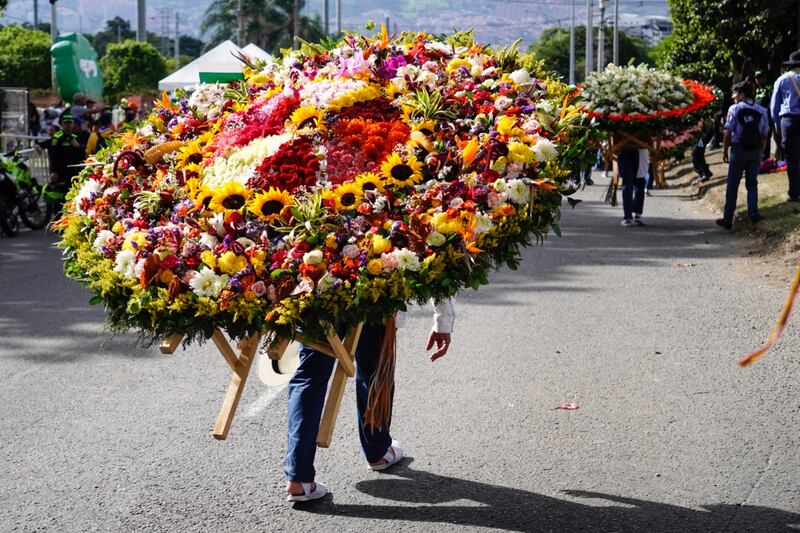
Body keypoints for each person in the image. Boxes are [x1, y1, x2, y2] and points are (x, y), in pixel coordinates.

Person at [284, 301, 455, 502]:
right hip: (375, 291)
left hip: (320, 289)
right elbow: (434, 268)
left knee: (310, 375)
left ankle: (299, 478)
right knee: (375, 366)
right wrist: (443, 321)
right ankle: (377, 452)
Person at [716, 81, 769, 230]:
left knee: (733, 184)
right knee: (752, 182)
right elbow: (765, 135)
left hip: (738, 150)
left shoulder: (734, 109)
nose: (733, 97)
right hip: (755, 151)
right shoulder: (762, 110)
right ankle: (753, 214)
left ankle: (728, 219)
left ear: (742, 94)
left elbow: (727, 132)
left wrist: (725, 151)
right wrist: (761, 151)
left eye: (735, 94)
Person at [770, 50, 800, 202]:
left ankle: (794, 192)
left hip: (788, 121)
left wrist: (776, 123)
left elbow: (774, 106)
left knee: (792, 157)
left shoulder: (782, 80)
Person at [617, 145, 648, 226]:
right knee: (628, 184)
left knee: (639, 183)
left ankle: (636, 213)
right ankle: (628, 216)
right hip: (625, 150)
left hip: (640, 151)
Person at [755, 70, 774, 160]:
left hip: (766, 117)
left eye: (759, 78)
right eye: (756, 78)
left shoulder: (769, 89)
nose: (758, 80)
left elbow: (771, 104)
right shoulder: (755, 89)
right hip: (756, 117)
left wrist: (765, 113)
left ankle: (766, 158)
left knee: (766, 136)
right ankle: (758, 156)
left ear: (764, 78)